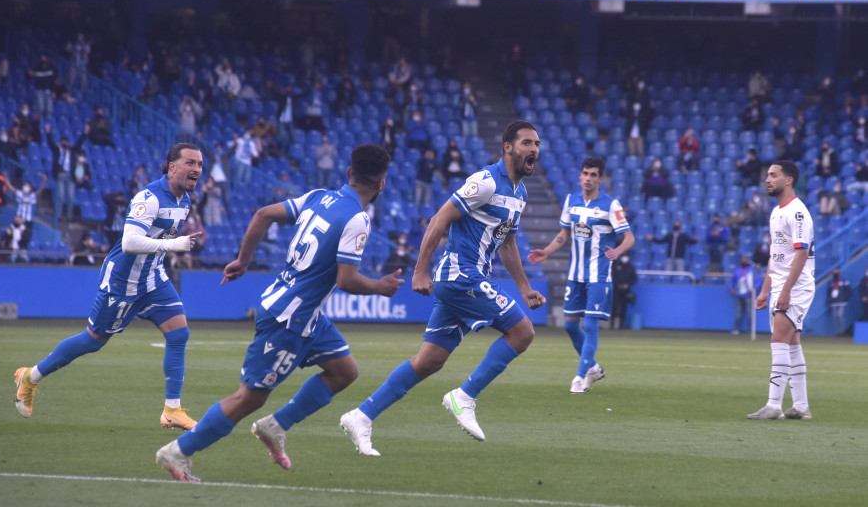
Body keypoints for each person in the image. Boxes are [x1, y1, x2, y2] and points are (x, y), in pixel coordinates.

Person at [155, 144, 403, 482]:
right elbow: (347, 279)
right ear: (382, 183)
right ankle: (177, 452)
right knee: (249, 397)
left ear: (348, 173)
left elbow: (262, 215)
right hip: (290, 319)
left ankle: (276, 426)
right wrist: (380, 286)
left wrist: (244, 260)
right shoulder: (357, 219)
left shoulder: (319, 196)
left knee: (344, 371)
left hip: (303, 312)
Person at [340, 121, 545, 455]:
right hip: (461, 275)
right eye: (526, 143)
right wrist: (420, 270)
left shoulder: (519, 193)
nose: (533, 149)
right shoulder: (485, 182)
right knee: (522, 332)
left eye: (536, 143)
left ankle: (361, 416)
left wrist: (524, 288)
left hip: (472, 279)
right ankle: (464, 397)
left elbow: (507, 243)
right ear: (508, 147)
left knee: (428, 361)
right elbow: (439, 219)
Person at [14, 144, 205, 430]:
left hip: (153, 279)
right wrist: (174, 244)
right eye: (190, 162)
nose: (197, 169)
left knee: (179, 333)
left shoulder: (185, 201)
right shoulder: (149, 197)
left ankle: (172, 410)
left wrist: (167, 249)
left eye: (200, 164)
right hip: (123, 283)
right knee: (92, 341)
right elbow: (129, 242)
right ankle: (29, 377)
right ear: (172, 166)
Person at [529, 156, 635, 394]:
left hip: (598, 274)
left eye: (593, 175)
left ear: (601, 178)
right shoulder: (571, 201)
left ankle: (579, 376)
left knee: (590, 324)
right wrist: (546, 252)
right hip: (575, 274)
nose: (588, 179)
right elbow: (564, 234)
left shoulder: (611, 205)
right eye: (585, 173)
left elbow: (629, 237)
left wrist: (618, 250)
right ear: (580, 175)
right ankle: (594, 369)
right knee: (569, 326)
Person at [748, 160, 814, 421]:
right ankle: (800, 406)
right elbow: (776, 256)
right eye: (767, 175)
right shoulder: (776, 212)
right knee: (792, 343)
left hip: (796, 286)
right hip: (782, 285)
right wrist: (766, 289)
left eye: (774, 175)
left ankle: (774, 405)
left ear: (789, 180)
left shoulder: (797, 212)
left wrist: (785, 290)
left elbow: (801, 252)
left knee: (779, 340)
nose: (768, 179)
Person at [46, 122, 88, 223]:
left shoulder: (72, 150)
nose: (65, 144)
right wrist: (48, 132)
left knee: (70, 197)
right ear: (60, 143)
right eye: (63, 142)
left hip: (70, 176)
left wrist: (85, 133)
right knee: (60, 196)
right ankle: (59, 215)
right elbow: (50, 143)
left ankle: (69, 216)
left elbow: (79, 143)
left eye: (66, 142)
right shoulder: (57, 150)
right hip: (60, 175)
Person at [7, 174, 47, 254]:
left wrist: (44, 182)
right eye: (25, 185)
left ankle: (23, 253)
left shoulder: (32, 196)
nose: (26, 187)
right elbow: (11, 189)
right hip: (18, 220)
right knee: (13, 235)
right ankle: (13, 253)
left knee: (24, 237)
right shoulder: (19, 194)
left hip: (28, 222)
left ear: (30, 188)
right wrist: (6, 178)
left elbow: (40, 190)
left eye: (28, 186)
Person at [729, 256, 757, 335]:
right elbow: (732, 281)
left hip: (748, 294)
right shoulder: (737, 271)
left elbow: (758, 281)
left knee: (749, 313)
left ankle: (749, 330)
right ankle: (736, 329)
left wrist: (754, 289)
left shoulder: (751, 271)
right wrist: (731, 287)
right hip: (738, 294)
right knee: (738, 313)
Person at [611, 254, 637, 330]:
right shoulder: (616, 266)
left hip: (626, 291)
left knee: (623, 307)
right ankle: (611, 324)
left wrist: (627, 285)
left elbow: (634, 279)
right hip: (616, 290)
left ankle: (621, 325)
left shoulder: (631, 267)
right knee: (614, 306)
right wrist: (617, 284)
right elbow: (613, 277)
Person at [827, 268, 852, 336]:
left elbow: (849, 291)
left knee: (840, 316)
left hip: (842, 302)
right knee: (835, 317)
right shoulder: (831, 282)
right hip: (834, 302)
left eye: (836, 270)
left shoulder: (844, 281)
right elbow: (829, 292)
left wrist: (845, 298)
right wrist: (829, 299)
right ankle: (837, 332)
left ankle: (842, 331)